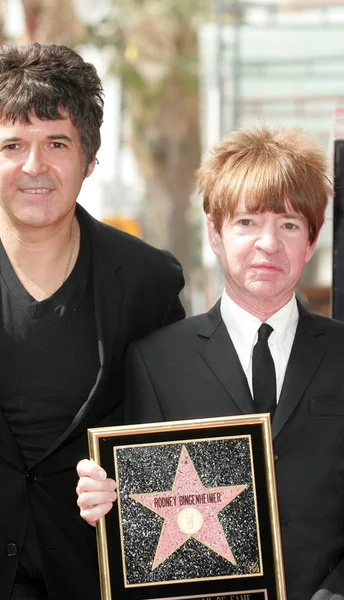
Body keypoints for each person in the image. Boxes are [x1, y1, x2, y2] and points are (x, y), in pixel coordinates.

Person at [0, 42, 185, 600]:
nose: (35, 167)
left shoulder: (149, 282)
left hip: (92, 572)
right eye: (13, 146)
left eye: (57, 143)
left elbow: (170, 435)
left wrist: (133, 490)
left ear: (89, 160)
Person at [77, 125, 344, 600]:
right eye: (246, 223)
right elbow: (148, 520)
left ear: (312, 238)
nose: (268, 243)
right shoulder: (156, 361)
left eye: (288, 224)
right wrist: (111, 502)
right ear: (215, 232)